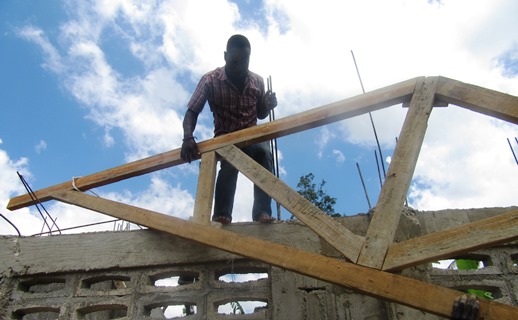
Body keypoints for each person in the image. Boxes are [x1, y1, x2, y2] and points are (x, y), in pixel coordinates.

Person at [181, 34, 278, 225]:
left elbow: (260, 113)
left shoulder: (257, 81)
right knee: (230, 163)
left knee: (264, 153)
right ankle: (221, 214)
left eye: (245, 62)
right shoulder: (210, 80)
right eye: (235, 62)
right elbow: (192, 111)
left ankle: (262, 212)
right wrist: (187, 138)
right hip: (225, 137)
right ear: (225, 56)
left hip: (252, 135)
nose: (240, 67)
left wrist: (267, 105)